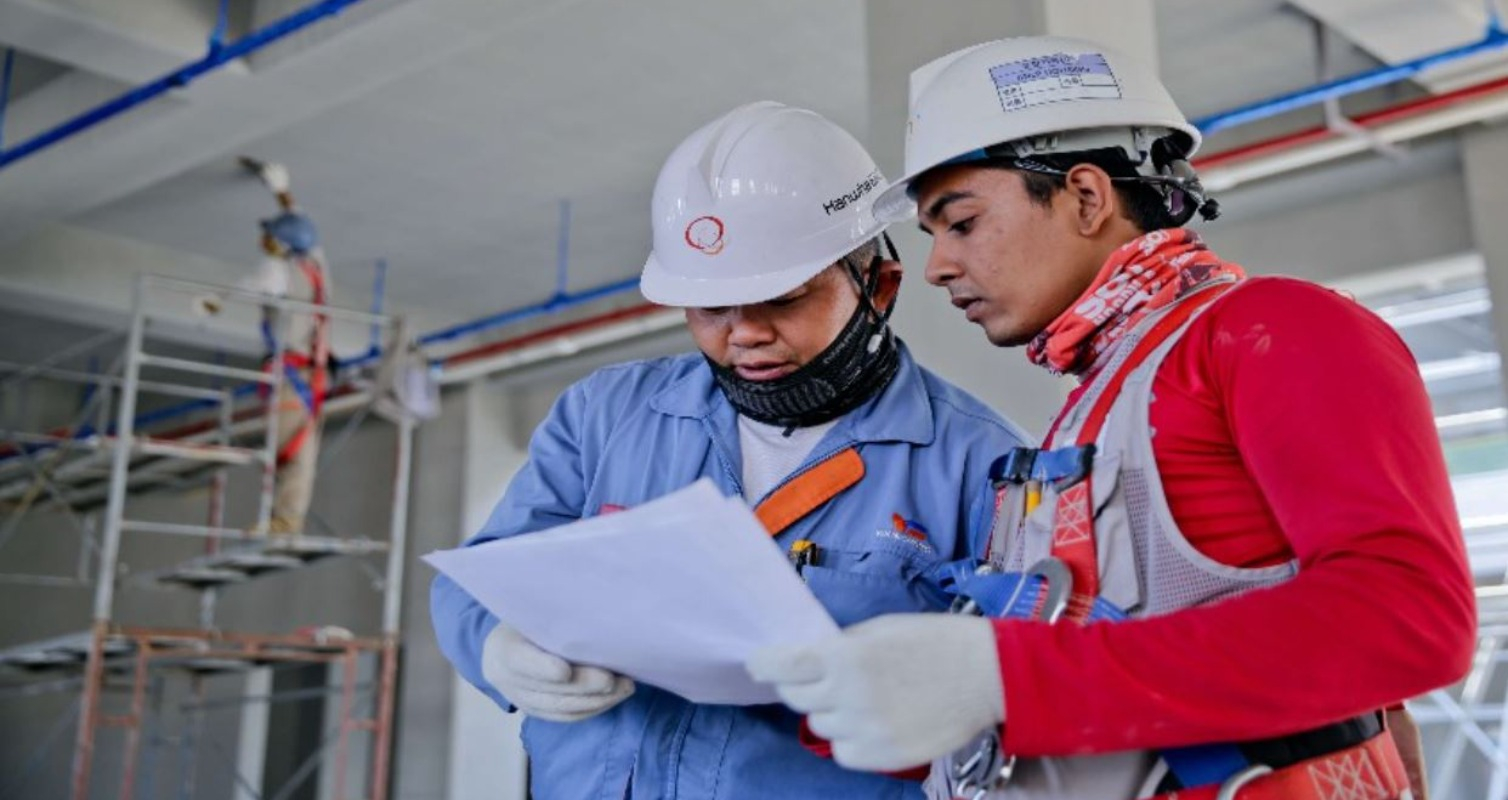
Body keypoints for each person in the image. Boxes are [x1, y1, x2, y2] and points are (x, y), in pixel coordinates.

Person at [747, 37, 1475, 800]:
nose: (938, 268)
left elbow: (1408, 617)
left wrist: (1004, 677)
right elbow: (1086, 668)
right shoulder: (1096, 406)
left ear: (1088, 197)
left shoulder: (1271, 329)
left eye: (960, 223)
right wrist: (855, 690)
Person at [429, 101, 1030, 799]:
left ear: (879, 286)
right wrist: (497, 646)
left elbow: (1013, 697)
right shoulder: (605, 415)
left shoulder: (980, 465)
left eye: (782, 298)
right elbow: (481, 576)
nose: (742, 334)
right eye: (711, 307)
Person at [203, 159, 333, 537]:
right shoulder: (314, 264)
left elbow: (251, 282)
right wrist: (281, 190)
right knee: (297, 446)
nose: (263, 239)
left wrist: (215, 301)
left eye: (269, 236)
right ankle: (284, 519)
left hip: (292, 376)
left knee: (288, 450)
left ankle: (283, 521)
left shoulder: (277, 273)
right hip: (309, 371)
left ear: (279, 244)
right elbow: (300, 223)